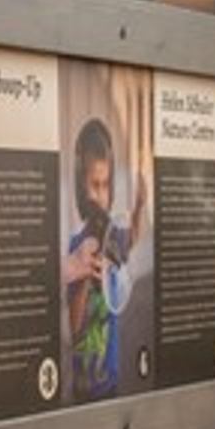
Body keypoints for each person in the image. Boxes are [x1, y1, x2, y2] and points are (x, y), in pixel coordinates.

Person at [63, 118, 146, 401]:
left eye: (106, 185)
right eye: (94, 185)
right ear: (81, 187)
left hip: (111, 376)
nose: (101, 195)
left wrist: (139, 207)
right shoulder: (78, 244)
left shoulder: (111, 234)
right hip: (86, 385)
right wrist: (86, 276)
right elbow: (75, 327)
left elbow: (130, 241)